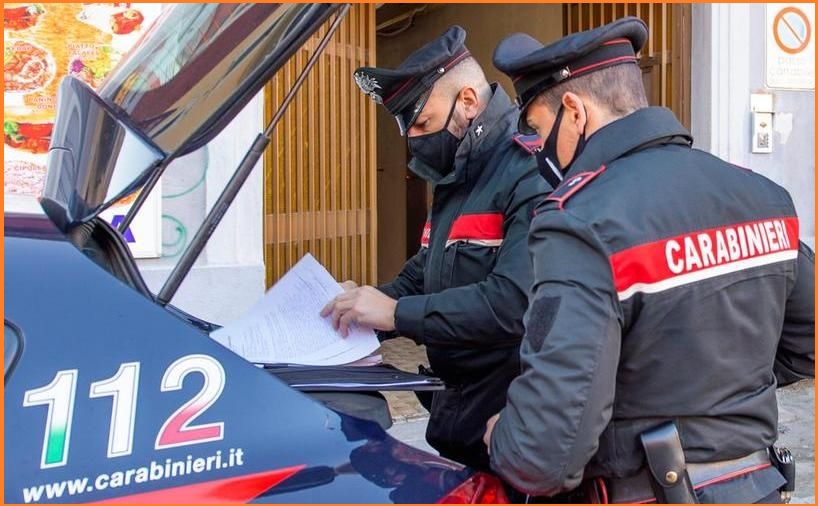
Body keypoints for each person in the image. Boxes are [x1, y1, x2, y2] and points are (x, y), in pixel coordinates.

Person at [484, 17, 815, 503]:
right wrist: (722, 393)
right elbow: (807, 343)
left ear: (574, 112)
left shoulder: (581, 221)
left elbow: (546, 452)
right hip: (758, 487)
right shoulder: (764, 197)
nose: (538, 150)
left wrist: (506, 438)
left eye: (536, 130)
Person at [320, 25, 550, 471]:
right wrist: (363, 304)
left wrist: (396, 314)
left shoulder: (528, 172)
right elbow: (426, 269)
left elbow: (513, 302)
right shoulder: (457, 172)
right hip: (457, 412)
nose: (414, 138)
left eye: (423, 123)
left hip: (505, 422)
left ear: (468, 101)